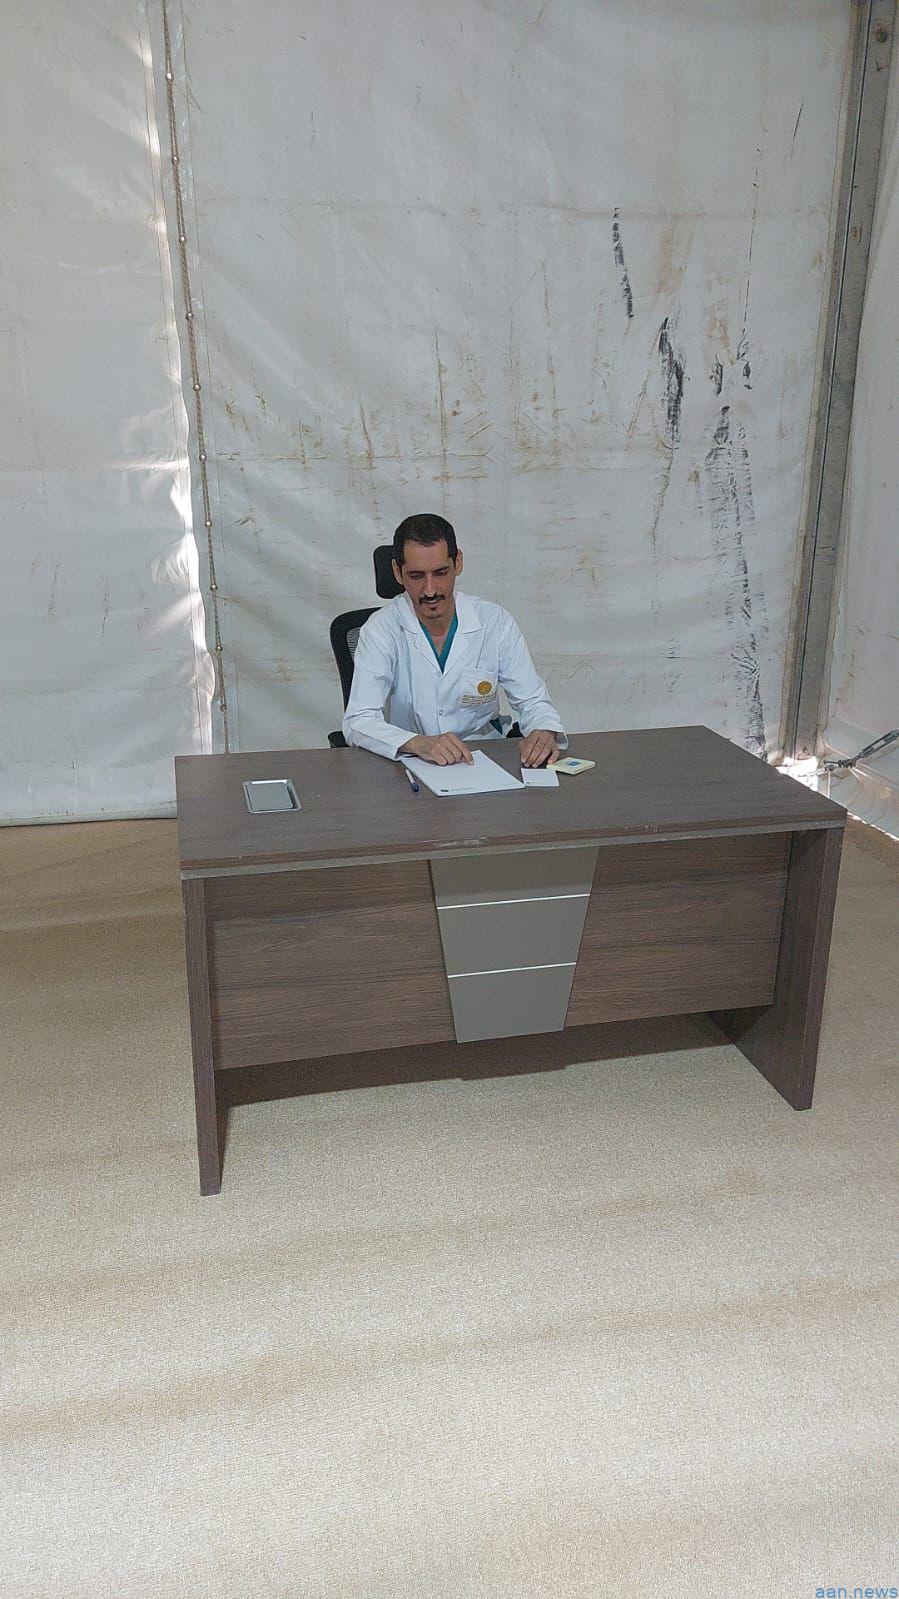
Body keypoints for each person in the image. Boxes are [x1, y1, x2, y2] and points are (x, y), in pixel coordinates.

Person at [342, 513, 568, 767]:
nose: (430, 590)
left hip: (484, 759)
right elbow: (358, 721)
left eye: (440, 573)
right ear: (397, 572)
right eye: (416, 576)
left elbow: (532, 700)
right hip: (412, 762)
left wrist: (543, 730)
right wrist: (418, 743)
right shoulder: (380, 630)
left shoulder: (495, 621)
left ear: (458, 563)